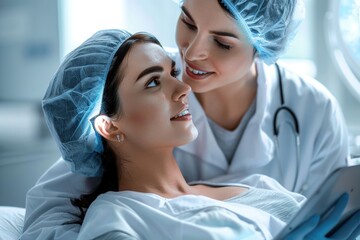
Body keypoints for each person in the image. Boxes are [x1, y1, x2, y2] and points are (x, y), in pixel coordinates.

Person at [22, 0, 353, 238]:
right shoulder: (121, 85)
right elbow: (61, 194)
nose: (191, 55)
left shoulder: (307, 117)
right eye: (188, 22)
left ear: (261, 45)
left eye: (222, 43)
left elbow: (334, 207)